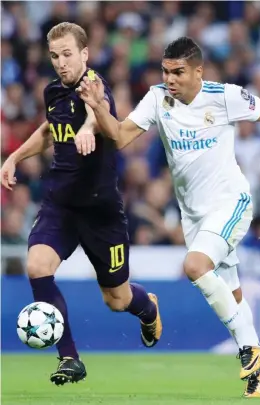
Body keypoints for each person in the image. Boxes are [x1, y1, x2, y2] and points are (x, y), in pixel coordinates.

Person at [76, 36, 260, 398]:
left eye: (178, 72)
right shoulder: (157, 98)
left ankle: (251, 352)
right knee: (232, 294)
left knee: (195, 266)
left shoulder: (224, 95)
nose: (170, 78)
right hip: (194, 215)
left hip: (230, 203)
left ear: (199, 72)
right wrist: (98, 110)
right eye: (166, 71)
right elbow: (119, 137)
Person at [0, 22, 162, 386]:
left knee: (117, 300)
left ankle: (148, 307)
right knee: (37, 264)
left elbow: (97, 108)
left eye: (68, 54)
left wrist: (90, 127)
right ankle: (70, 358)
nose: (61, 62)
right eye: (55, 56)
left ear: (85, 54)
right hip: (61, 204)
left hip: (100, 211)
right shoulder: (53, 92)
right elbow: (49, 129)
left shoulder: (94, 85)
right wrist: (14, 158)